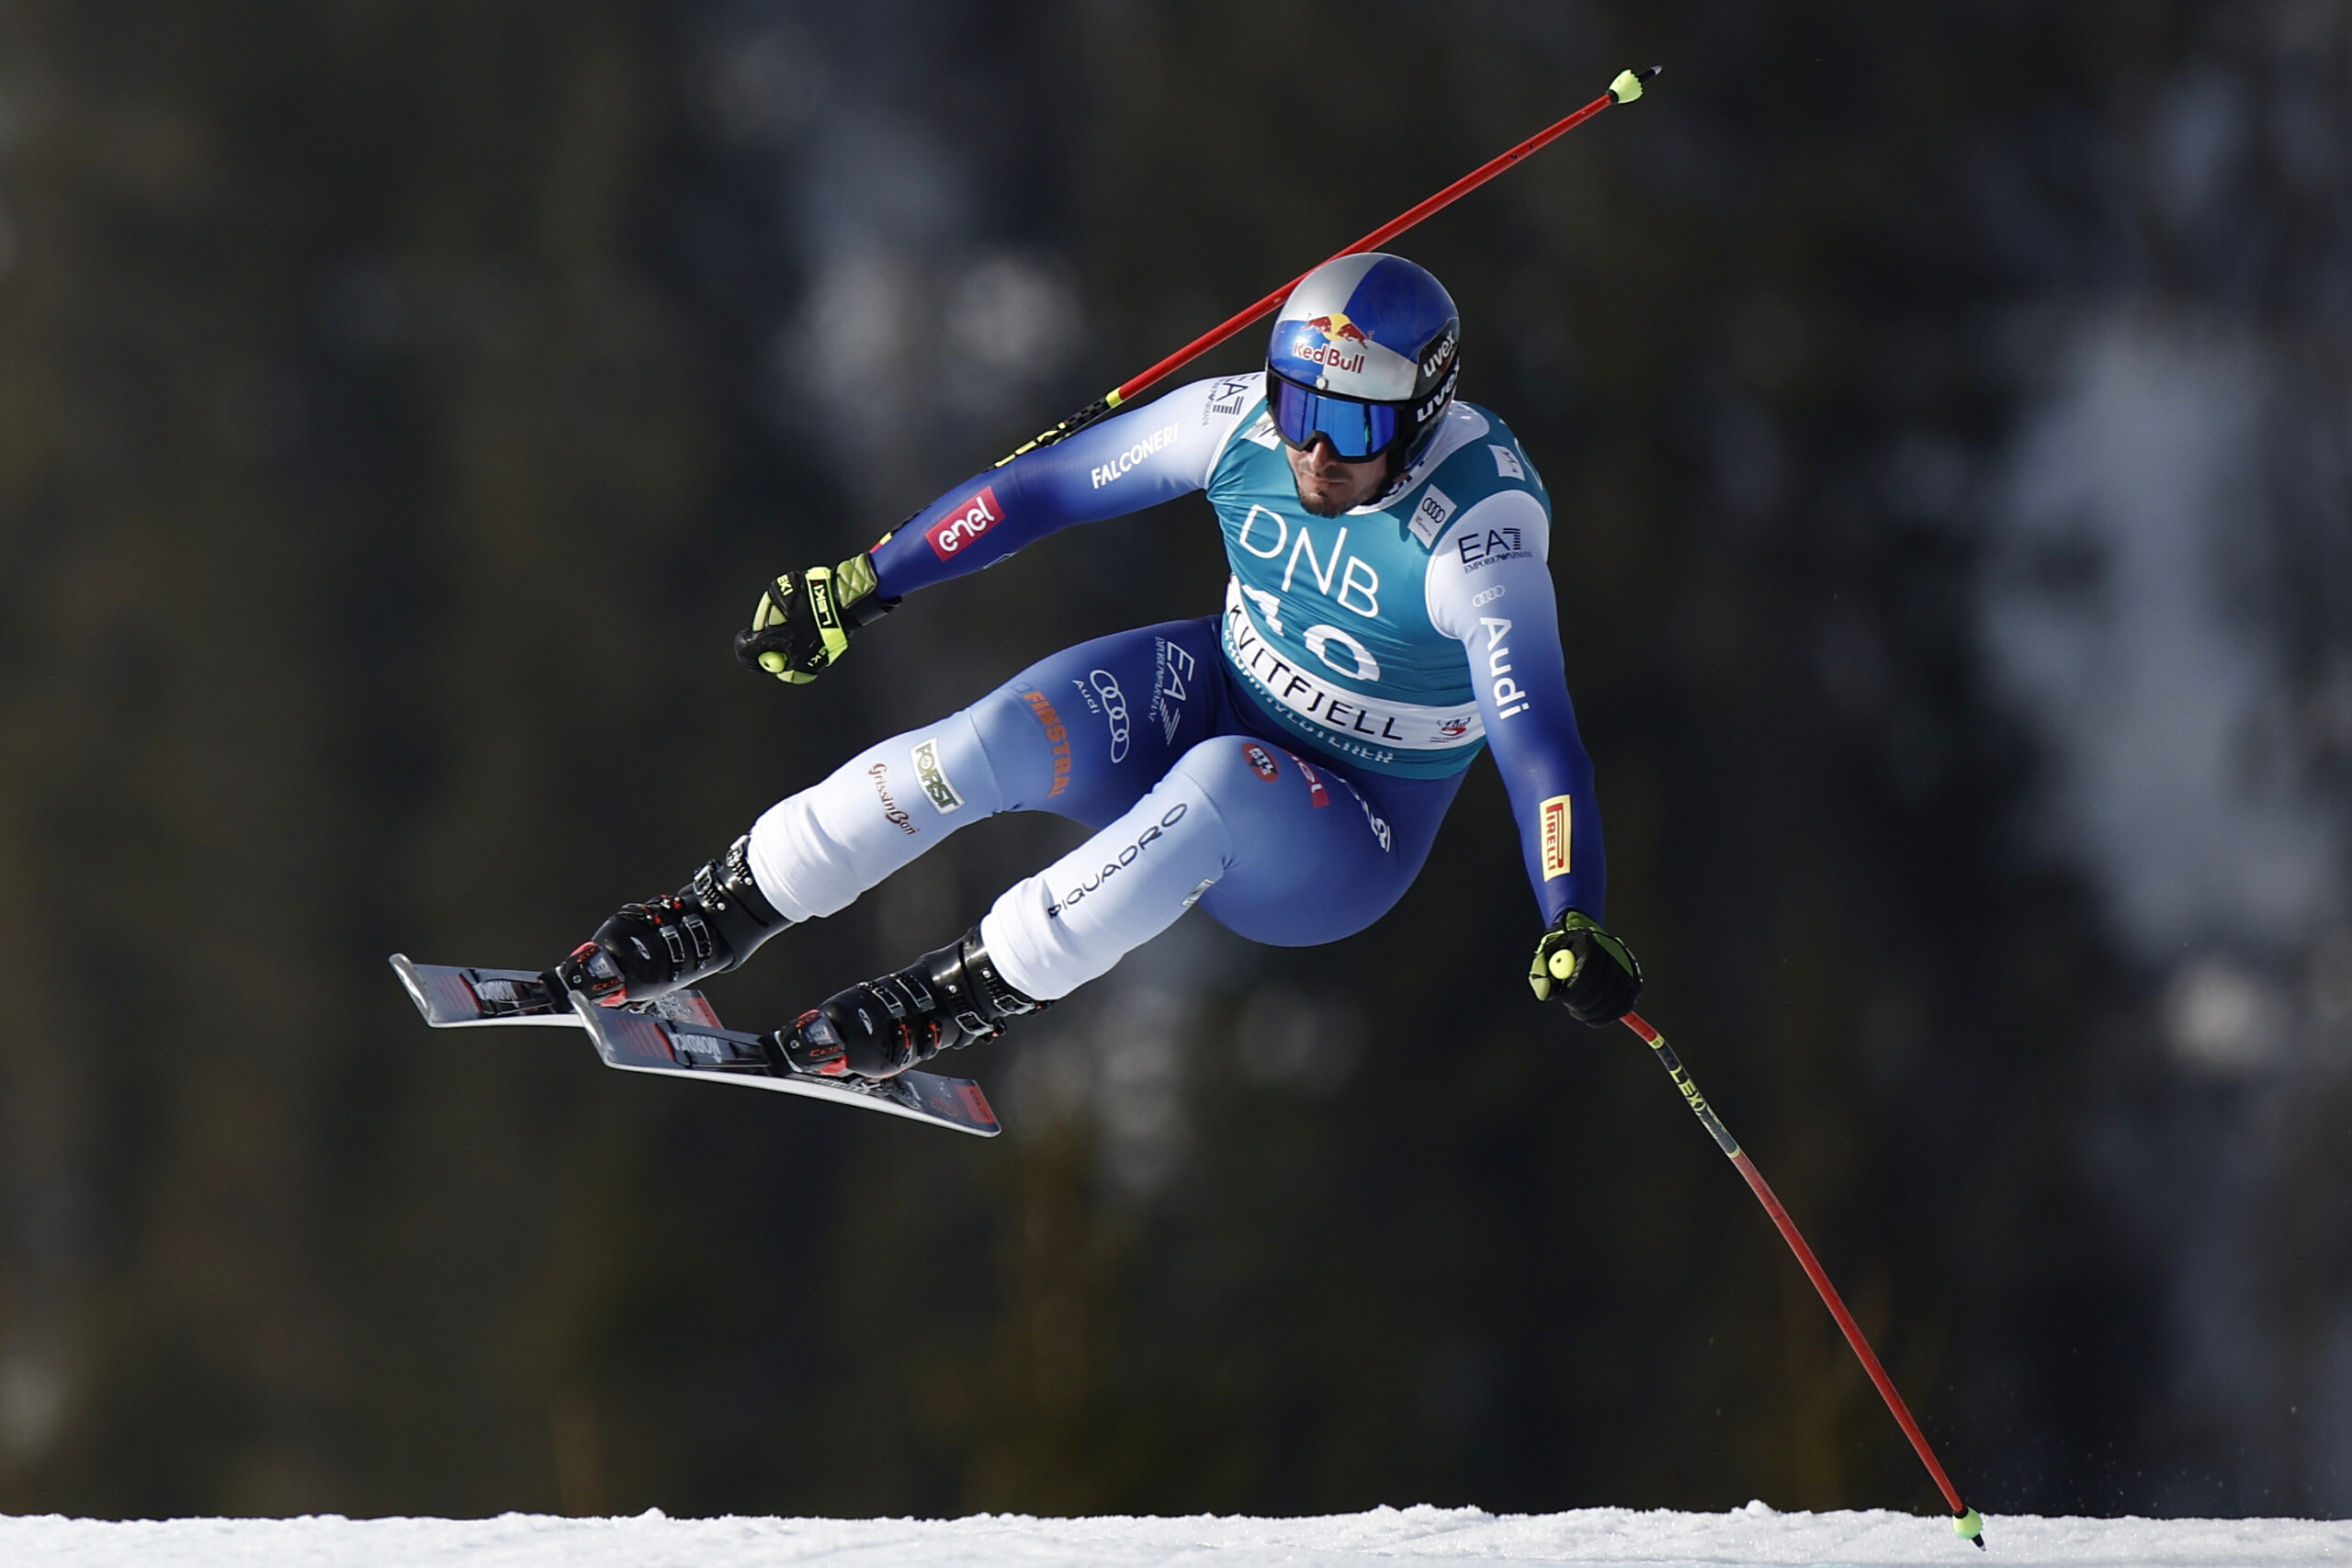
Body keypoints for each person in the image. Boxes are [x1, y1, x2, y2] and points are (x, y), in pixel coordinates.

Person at [552, 253, 1644, 1080]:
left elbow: (1537, 739)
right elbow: (1040, 492)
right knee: (996, 738)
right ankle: (727, 905)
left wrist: (1571, 912)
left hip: (1342, 826)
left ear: (1423, 416)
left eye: (1352, 429)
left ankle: (958, 994)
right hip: (1217, 685)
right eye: (1300, 409)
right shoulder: (1241, 429)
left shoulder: (1476, 533)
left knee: (1216, 787)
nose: (1314, 453)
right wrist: (863, 584)